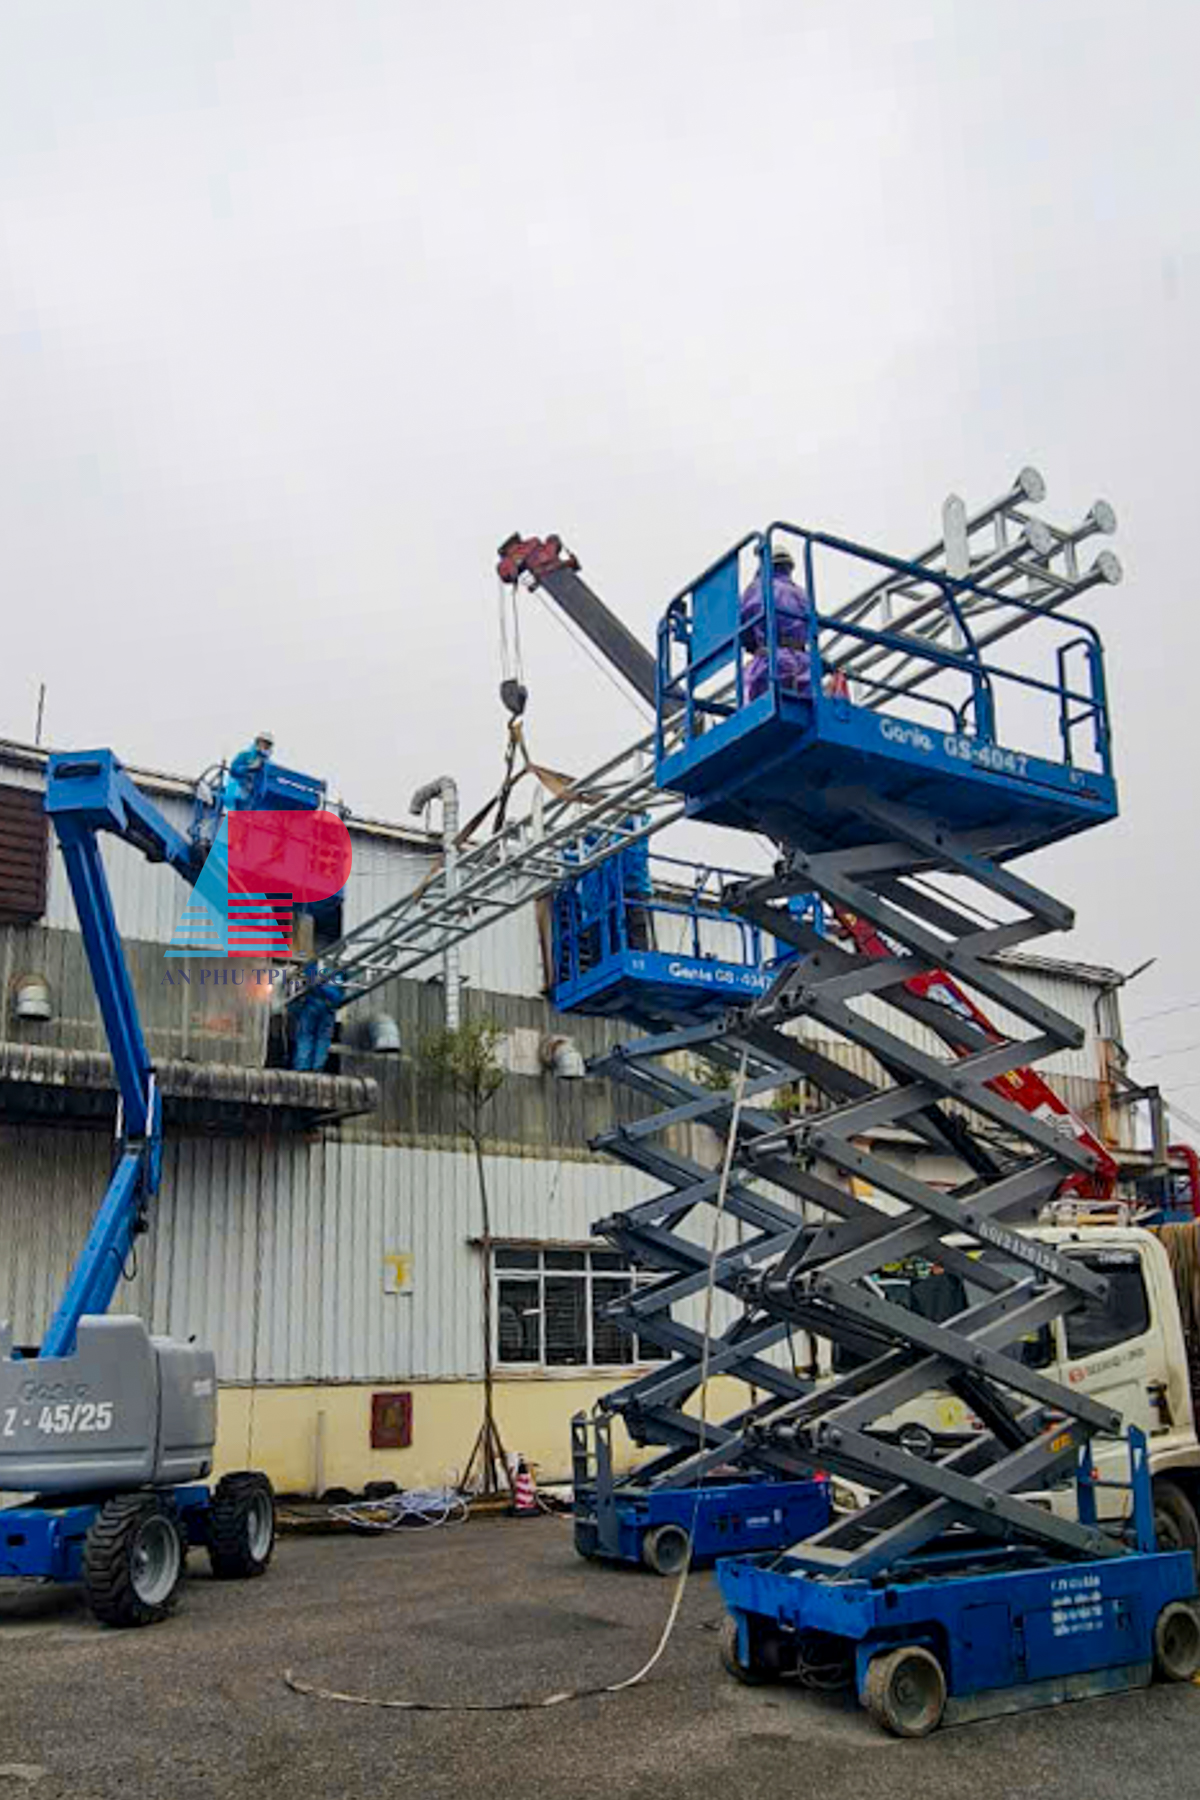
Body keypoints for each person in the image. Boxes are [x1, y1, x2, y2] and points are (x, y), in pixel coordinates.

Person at [739, 545, 814, 703]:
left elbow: (744, 629)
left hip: (773, 661)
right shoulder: (801, 593)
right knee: (807, 707)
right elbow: (813, 627)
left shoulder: (758, 587)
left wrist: (752, 646)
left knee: (758, 702)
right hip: (805, 664)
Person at [289, 962, 345, 1071]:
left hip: (312, 1004)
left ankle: (303, 1066)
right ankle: (318, 1067)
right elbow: (340, 991)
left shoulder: (314, 965)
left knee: (306, 1035)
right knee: (323, 1038)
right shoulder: (338, 969)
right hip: (329, 1006)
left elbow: (308, 981)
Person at [224, 730, 276, 812]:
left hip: (256, 797)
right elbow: (234, 770)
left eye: (267, 745)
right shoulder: (245, 756)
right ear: (257, 742)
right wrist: (248, 768)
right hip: (239, 791)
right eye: (262, 743)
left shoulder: (269, 764)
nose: (264, 746)